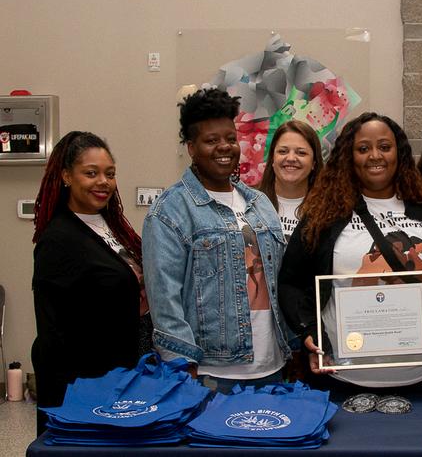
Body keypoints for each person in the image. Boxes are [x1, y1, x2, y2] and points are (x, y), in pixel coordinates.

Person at [279, 112, 422, 396]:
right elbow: (290, 282)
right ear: (349, 156)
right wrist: (310, 331)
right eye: (363, 148)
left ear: (399, 153)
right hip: (342, 380)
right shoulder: (323, 216)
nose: (375, 156)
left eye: (384, 147)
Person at [142, 88, 290, 394]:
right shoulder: (170, 210)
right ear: (191, 147)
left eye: (230, 138)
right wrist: (182, 365)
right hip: (210, 373)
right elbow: (164, 298)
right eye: (211, 140)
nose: (224, 147)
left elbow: (280, 281)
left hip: (272, 366)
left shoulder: (260, 203)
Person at [31, 131, 146, 435]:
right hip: (86, 384)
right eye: (91, 173)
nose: (103, 182)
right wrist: (66, 407)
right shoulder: (58, 240)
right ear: (66, 176)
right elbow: (52, 333)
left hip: (123, 369)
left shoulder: (112, 225)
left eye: (110, 174)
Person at [257, 120, 323, 240]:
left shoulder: (328, 210)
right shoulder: (249, 202)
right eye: (283, 151)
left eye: (301, 153)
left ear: (314, 163)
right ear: (272, 159)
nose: (291, 158)